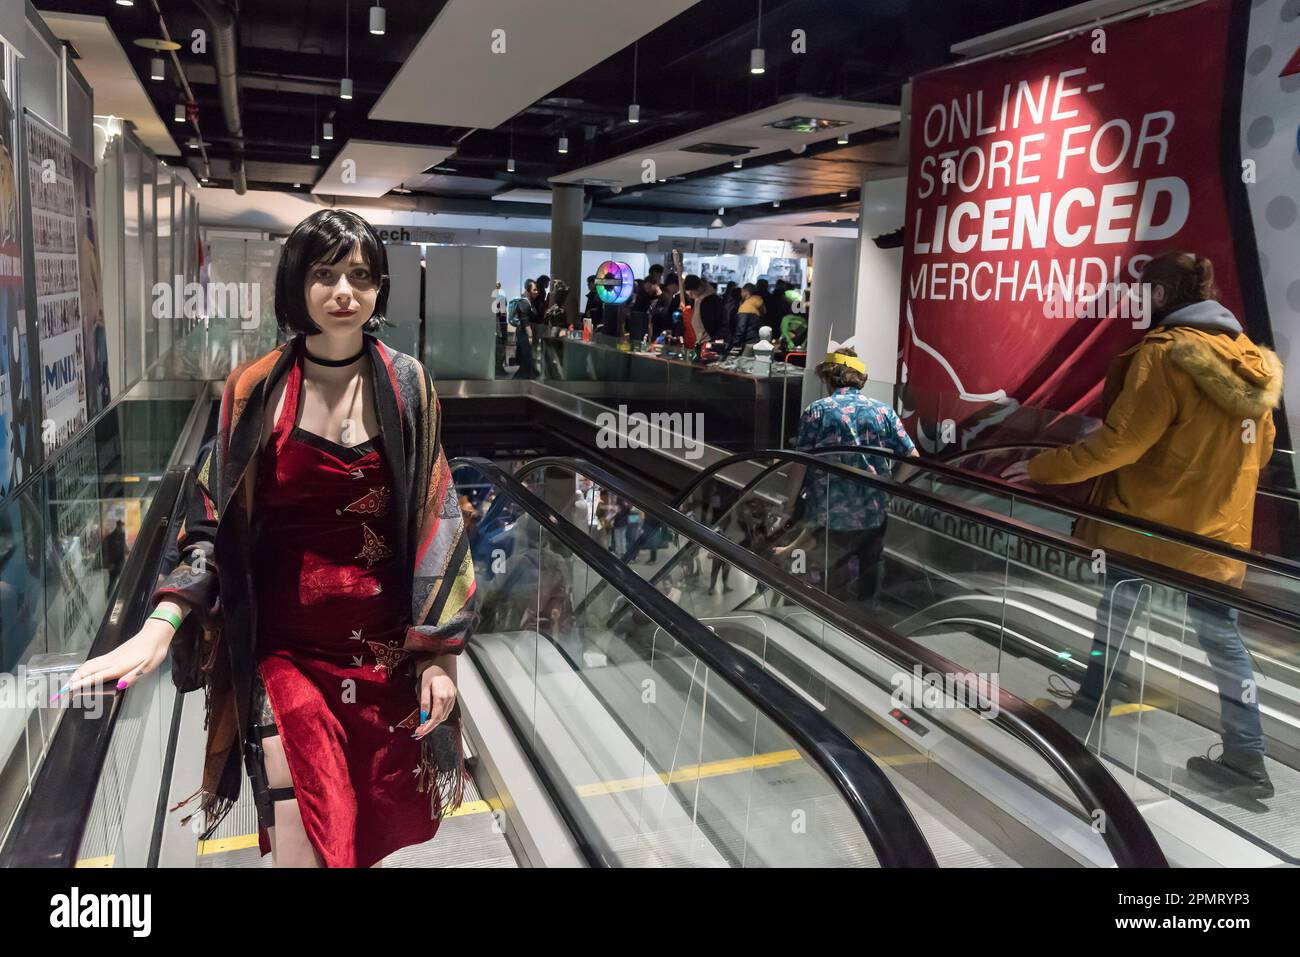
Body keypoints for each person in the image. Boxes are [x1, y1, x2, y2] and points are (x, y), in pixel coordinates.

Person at [63, 209, 477, 867]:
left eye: (361, 276)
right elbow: (210, 523)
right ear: (296, 282)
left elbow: (436, 515)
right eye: (325, 273)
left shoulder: (407, 385)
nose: (345, 291)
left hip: (383, 654)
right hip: (288, 649)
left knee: (366, 816)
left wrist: (439, 657)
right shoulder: (255, 391)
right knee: (313, 819)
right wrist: (159, 626)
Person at [1004, 251, 1283, 799]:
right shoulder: (1251, 361)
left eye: (1143, 292)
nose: (1137, 301)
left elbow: (1123, 442)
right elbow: (1265, 447)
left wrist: (1042, 468)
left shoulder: (1165, 355)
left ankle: (1092, 703)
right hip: (1216, 535)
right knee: (1223, 639)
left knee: (1116, 619)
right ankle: (1248, 757)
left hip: (1147, 526)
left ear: (1160, 295)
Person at [774, 348, 918, 606]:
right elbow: (912, 456)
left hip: (831, 514)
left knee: (831, 579)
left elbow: (800, 464)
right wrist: (889, 488)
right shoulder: (882, 410)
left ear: (829, 376)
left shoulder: (817, 411)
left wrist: (789, 504)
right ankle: (866, 623)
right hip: (874, 511)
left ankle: (831, 628)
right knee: (868, 574)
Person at [510, 279, 541, 379]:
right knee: (527, 359)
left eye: (537, 290)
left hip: (525, 333)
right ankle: (519, 382)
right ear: (528, 290)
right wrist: (530, 337)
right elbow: (525, 322)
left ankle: (520, 382)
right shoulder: (524, 303)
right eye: (534, 290)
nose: (537, 292)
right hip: (524, 334)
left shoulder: (529, 302)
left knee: (527, 361)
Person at [684, 274, 726, 343]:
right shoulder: (696, 299)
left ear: (700, 287)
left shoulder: (713, 300)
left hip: (707, 340)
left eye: (692, 293)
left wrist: (715, 338)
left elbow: (720, 322)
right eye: (689, 294)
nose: (691, 296)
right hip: (696, 340)